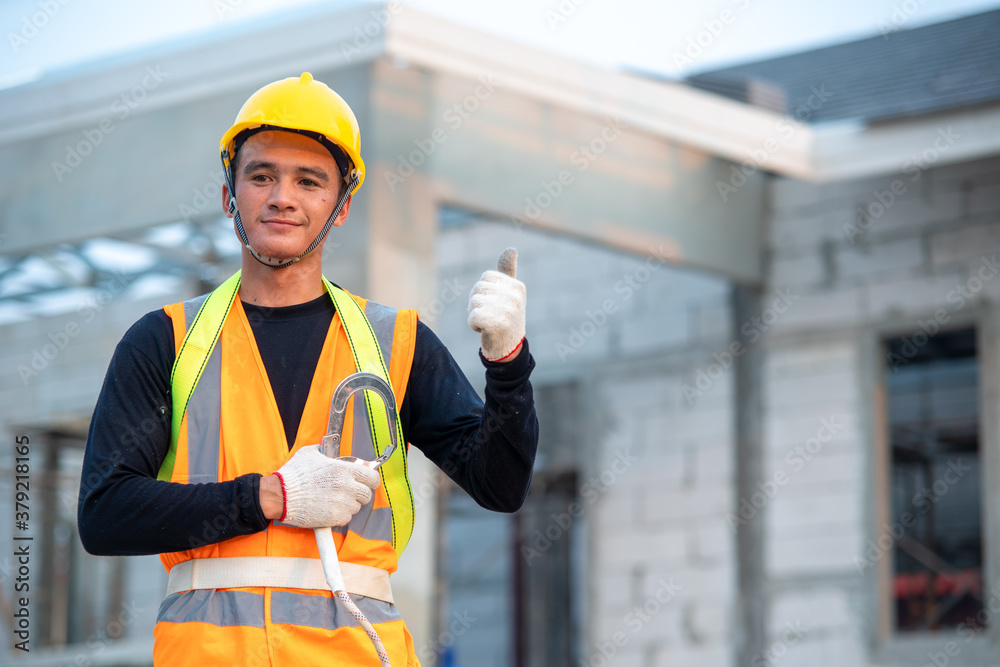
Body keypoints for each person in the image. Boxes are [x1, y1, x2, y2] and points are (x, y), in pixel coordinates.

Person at [77, 72, 539, 666]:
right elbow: (104, 515)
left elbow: (500, 485)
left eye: (309, 181)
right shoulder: (165, 341)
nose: (282, 197)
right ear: (228, 196)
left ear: (341, 207)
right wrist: (271, 497)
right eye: (261, 175)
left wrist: (508, 361)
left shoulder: (394, 343)